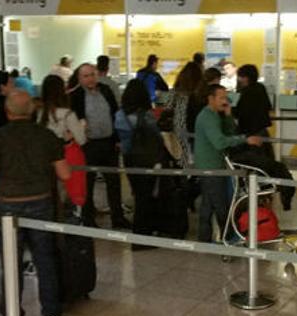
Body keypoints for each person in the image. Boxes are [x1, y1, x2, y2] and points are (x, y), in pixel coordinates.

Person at [0, 90, 69, 316]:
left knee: (11, 262)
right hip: (41, 203)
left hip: (7, 206)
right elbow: (65, 173)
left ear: (7, 113)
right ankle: (51, 315)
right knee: (45, 258)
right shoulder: (47, 136)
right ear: (32, 111)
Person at [194, 84, 262, 242]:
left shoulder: (214, 115)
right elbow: (219, 142)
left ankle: (204, 239)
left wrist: (228, 114)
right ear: (210, 98)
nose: (225, 101)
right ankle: (228, 238)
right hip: (210, 168)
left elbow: (230, 132)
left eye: (226, 97)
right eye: (222, 97)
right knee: (220, 205)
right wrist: (246, 139)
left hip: (213, 165)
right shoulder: (207, 117)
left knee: (208, 204)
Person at [70, 63, 128, 229]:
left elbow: (115, 113)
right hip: (89, 145)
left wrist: (117, 138)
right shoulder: (76, 95)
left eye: (92, 74)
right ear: (80, 78)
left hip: (109, 142)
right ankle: (89, 219)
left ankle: (118, 217)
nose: (90, 79)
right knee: (88, 182)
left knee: (114, 182)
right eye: (86, 76)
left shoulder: (106, 90)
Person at [115, 79, 162, 242]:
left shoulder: (119, 115)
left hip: (129, 158)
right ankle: (143, 234)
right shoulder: (146, 115)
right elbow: (156, 134)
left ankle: (141, 231)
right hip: (146, 160)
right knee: (146, 196)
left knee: (138, 194)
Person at [165, 62, 204, 169]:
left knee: (180, 158)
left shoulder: (175, 92)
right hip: (194, 131)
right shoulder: (200, 94)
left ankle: (183, 177)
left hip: (177, 129)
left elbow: (167, 109)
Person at [234, 64, 272, 138]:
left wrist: (229, 110)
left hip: (250, 130)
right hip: (261, 129)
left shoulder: (248, 92)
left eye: (241, 76)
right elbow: (268, 106)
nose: (239, 79)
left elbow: (242, 111)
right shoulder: (260, 87)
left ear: (247, 78)